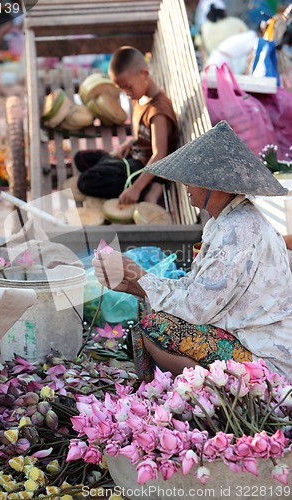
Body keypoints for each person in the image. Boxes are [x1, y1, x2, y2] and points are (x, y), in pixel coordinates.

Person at [93, 121, 292, 382]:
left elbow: (198, 309)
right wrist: (137, 283)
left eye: (193, 180)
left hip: (266, 356)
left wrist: (139, 278)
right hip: (251, 335)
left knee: (157, 329)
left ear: (214, 185)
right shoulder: (224, 221)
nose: (186, 185)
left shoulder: (237, 230)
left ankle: (227, 391)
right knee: (156, 316)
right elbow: (197, 288)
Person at [75, 46, 178, 205]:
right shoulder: (140, 96)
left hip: (144, 170)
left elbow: (159, 156)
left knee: (85, 182)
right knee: (80, 159)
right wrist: (130, 143)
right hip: (134, 156)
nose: (127, 93)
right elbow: (145, 137)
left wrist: (136, 188)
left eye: (128, 87)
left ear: (144, 74)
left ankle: (148, 189)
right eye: (122, 89)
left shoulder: (158, 113)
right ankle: (109, 168)